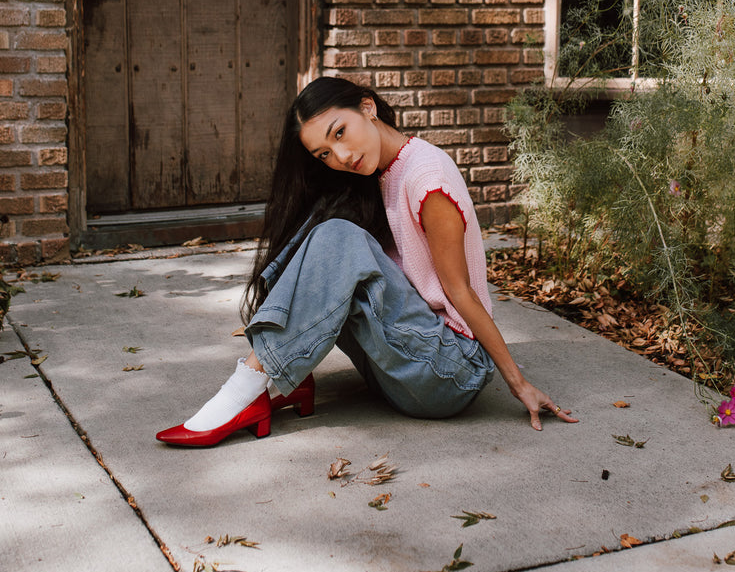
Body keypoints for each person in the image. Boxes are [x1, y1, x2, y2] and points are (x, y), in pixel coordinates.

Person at [156, 77, 578, 446]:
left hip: (450, 373)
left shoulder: (426, 179)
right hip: (405, 369)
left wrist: (517, 383)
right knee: (325, 225)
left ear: (367, 108)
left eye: (340, 133)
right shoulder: (379, 174)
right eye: (324, 154)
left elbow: (460, 292)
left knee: (337, 236)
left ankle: (243, 391)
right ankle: (282, 375)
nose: (340, 156)